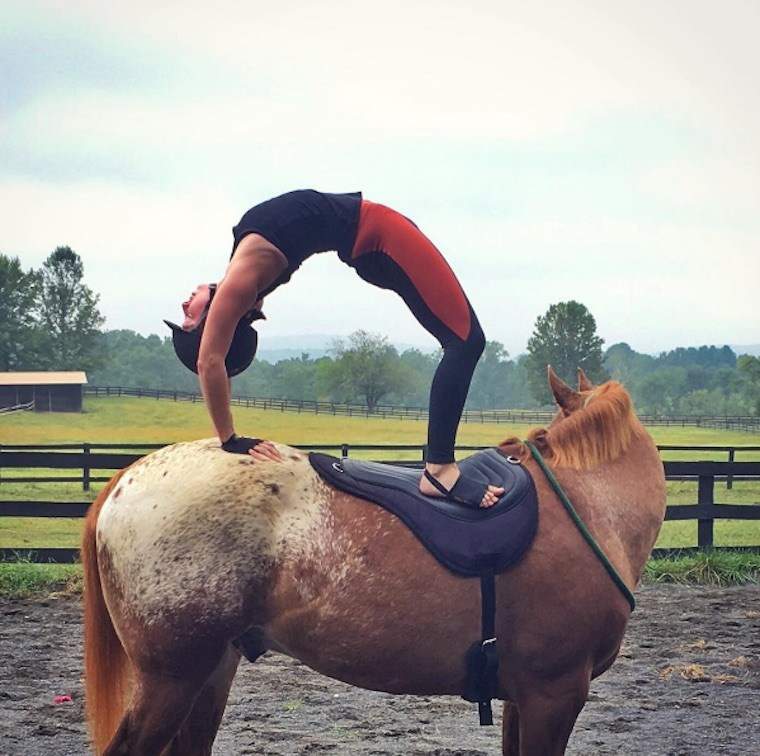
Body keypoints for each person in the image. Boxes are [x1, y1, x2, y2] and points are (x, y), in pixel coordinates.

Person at [170, 190, 504, 509]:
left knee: (464, 341)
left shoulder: (247, 281)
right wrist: (229, 439)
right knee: (466, 342)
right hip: (380, 234)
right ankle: (440, 469)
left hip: (372, 238)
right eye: (189, 318)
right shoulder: (239, 284)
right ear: (212, 323)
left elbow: (221, 357)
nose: (185, 303)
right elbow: (210, 361)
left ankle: (440, 466)